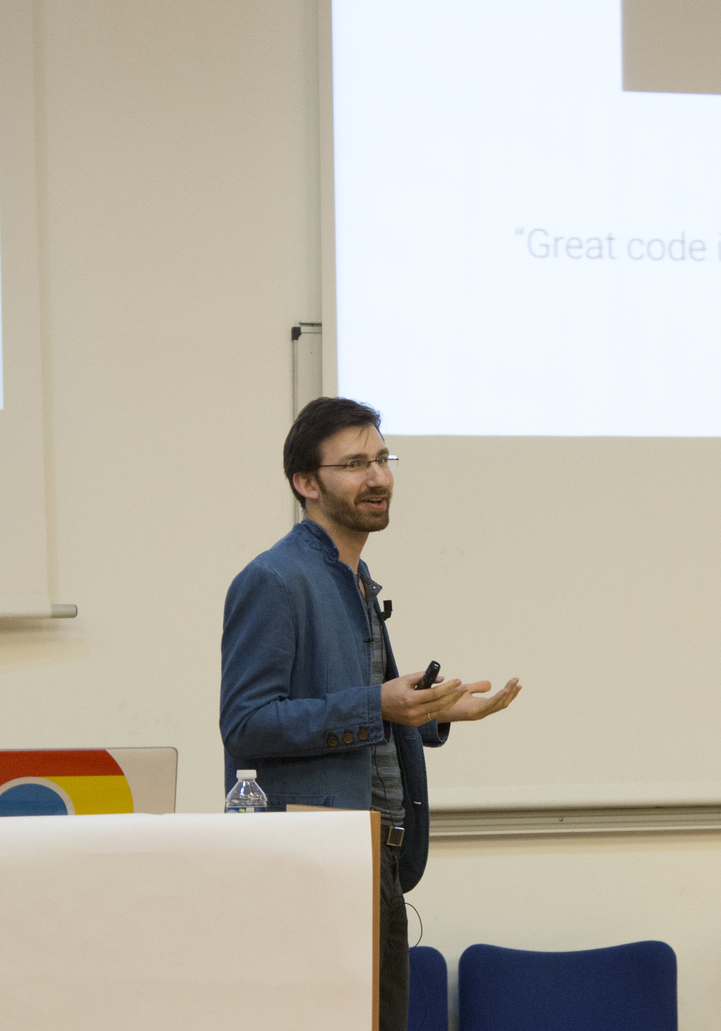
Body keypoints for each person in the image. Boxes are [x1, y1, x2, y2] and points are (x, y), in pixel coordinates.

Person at [220, 397, 521, 1031]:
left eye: (383, 459)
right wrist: (378, 703)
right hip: (311, 868)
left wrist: (435, 712)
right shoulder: (275, 580)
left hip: (372, 858)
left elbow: (361, 710)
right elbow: (246, 723)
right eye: (356, 464)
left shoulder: (355, 579)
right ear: (306, 483)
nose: (379, 477)